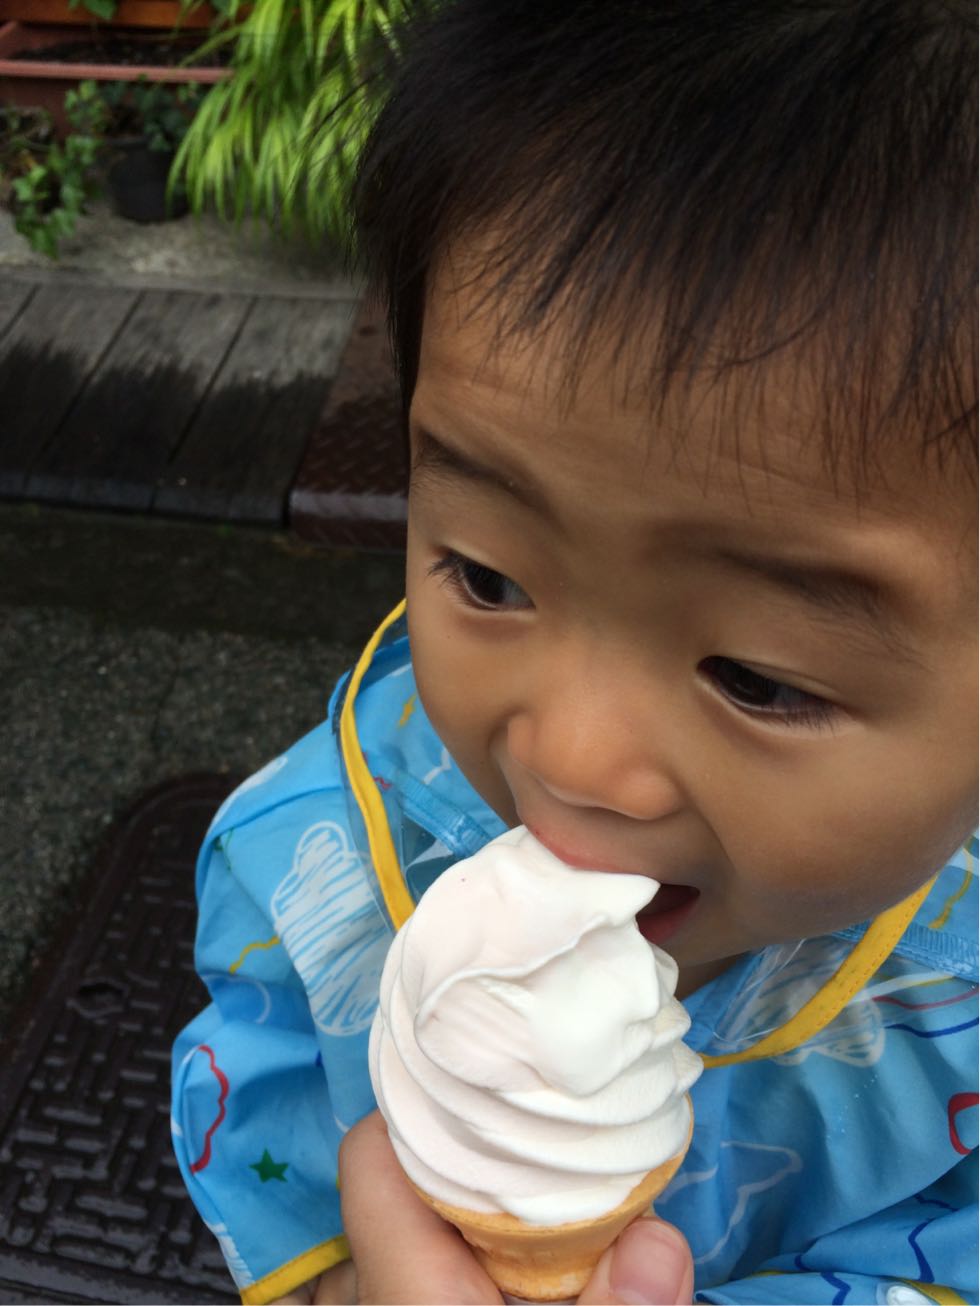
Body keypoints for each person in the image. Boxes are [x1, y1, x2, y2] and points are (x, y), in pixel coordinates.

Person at [171, 1, 978, 1302]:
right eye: (489, 575)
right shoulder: (341, 850)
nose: (571, 759)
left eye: (760, 677)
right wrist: (340, 1278)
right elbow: (264, 1060)